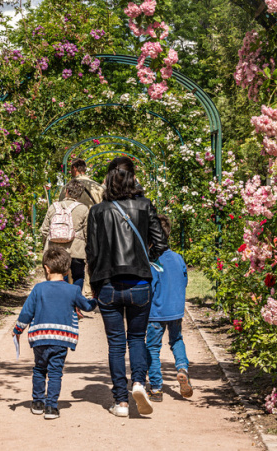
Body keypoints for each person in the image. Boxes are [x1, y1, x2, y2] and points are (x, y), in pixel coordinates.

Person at [86, 156, 168, 418]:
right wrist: (145, 261)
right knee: (137, 338)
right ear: (133, 177)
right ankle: (139, 383)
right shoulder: (144, 206)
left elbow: (92, 252)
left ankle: (121, 401)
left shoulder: (97, 211)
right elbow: (161, 243)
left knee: (116, 345)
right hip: (140, 283)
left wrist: (94, 285)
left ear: (108, 179)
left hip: (109, 284)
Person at [13, 248, 97, 420]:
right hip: (62, 338)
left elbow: (27, 312)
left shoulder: (38, 289)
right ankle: (51, 407)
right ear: (67, 271)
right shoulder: (73, 290)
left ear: (47, 268)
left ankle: (37, 402)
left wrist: (18, 329)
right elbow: (87, 306)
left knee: (39, 369)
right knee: (55, 372)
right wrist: (96, 298)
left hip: (40, 338)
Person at [146, 214, 193, 402]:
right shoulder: (178, 258)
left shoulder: (152, 261)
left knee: (152, 348)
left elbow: (150, 288)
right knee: (176, 340)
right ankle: (182, 368)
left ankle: (156, 388)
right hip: (175, 310)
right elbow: (184, 281)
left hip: (156, 312)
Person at [39, 179, 89, 290]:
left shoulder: (53, 207)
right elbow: (87, 233)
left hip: (55, 250)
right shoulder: (83, 209)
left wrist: (46, 246)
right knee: (78, 275)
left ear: (66, 191)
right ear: (80, 194)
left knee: (59, 276)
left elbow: (44, 230)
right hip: (76, 251)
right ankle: (75, 302)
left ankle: (62, 301)